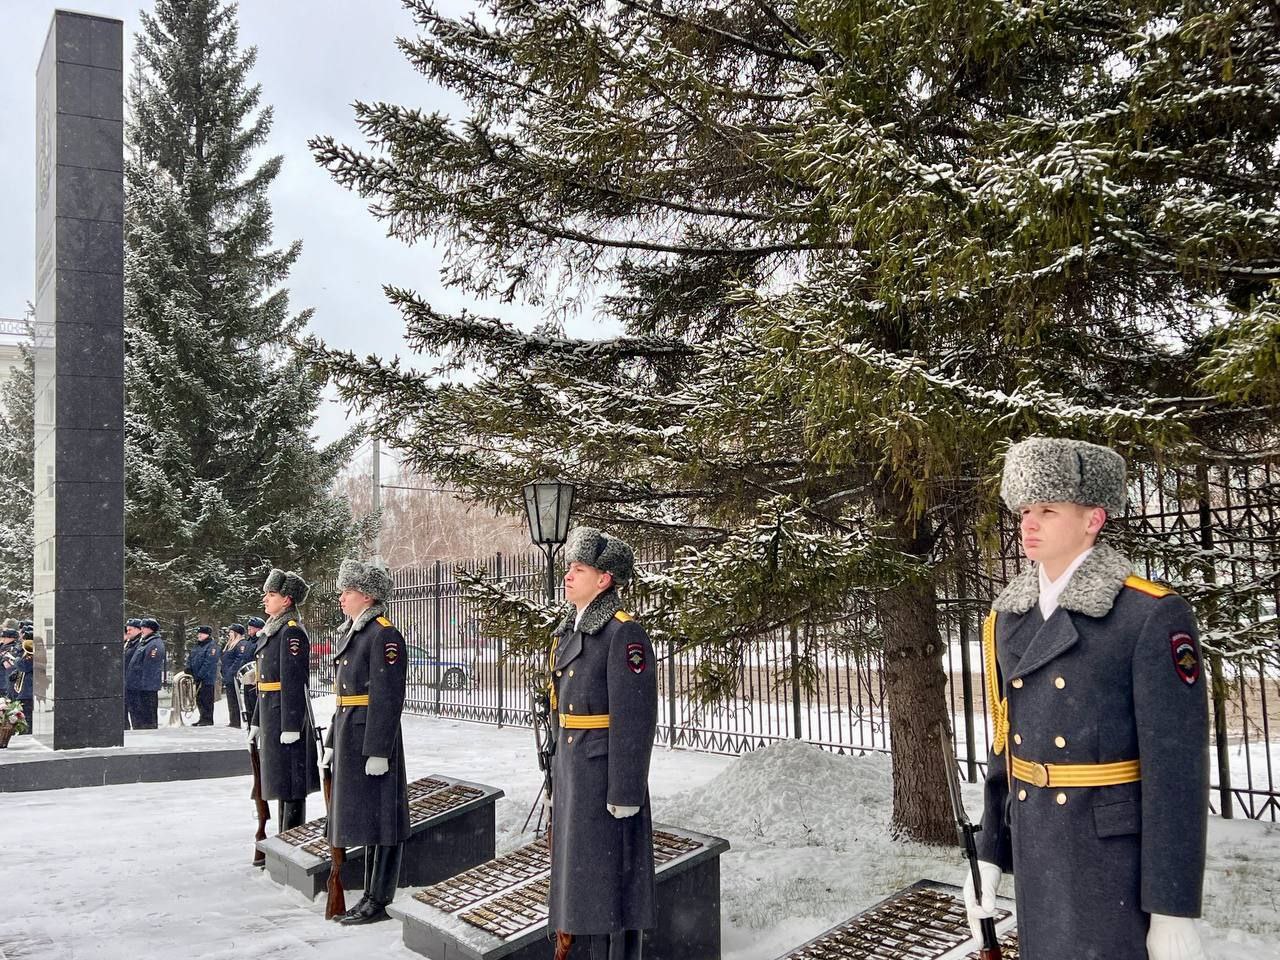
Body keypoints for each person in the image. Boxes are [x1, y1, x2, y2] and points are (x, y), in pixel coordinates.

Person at [964, 437, 1209, 960]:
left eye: (1048, 510)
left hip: (1109, 859)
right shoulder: (1010, 617)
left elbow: (1176, 773)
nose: (1028, 523)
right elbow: (1007, 745)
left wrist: (1171, 908)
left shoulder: (1147, 617)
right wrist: (989, 851)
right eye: (1025, 510)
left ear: (1093, 519)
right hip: (1037, 843)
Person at [546, 527, 657, 960]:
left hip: (604, 775)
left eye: (579, 569)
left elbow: (635, 717)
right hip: (577, 771)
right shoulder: (575, 630)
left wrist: (626, 790)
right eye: (569, 568)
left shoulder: (622, 634)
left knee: (612, 885)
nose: (568, 576)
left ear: (604, 579)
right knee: (582, 884)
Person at [323, 558, 409, 925]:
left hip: (372, 737)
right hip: (350, 732)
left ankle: (379, 898)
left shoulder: (383, 635)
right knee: (368, 818)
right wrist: (330, 738)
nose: (341, 597)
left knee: (383, 819)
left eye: (348, 591)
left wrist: (378, 750)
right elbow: (342, 696)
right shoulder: (354, 632)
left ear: (368, 596)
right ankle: (369, 895)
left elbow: (388, 697)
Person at [248, 568, 320, 831]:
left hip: (284, 718)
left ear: (287, 599)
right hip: (271, 714)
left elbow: (293, 682)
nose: (265, 599)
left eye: (271, 594)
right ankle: (280, 841)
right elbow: (264, 684)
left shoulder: (291, 632)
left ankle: (290, 836)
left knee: (291, 784)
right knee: (279, 783)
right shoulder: (274, 630)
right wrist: (256, 720)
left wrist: (291, 726)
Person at [130, 618, 166, 729]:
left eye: (144, 628)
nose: (142, 630)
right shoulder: (145, 642)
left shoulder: (154, 644)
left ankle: (149, 728)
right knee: (143, 712)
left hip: (148, 685)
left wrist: (143, 682)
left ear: (150, 629)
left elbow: (150, 665)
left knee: (148, 713)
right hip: (141, 683)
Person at [184, 626, 220, 726]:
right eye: (199, 633)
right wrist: (189, 668)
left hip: (206, 678)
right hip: (197, 677)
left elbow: (209, 663)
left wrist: (200, 675)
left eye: (202, 633)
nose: (199, 635)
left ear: (207, 635)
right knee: (199, 698)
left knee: (206, 699)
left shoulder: (212, 646)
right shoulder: (198, 646)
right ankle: (202, 717)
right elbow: (190, 658)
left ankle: (207, 719)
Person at [221, 623, 255, 727]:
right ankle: (233, 720)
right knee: (231, 698)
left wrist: (231, 673)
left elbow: (239, 659)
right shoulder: (230, 644)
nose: (229, 635)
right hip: (228, 674)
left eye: (231, 632)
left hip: (233, 675)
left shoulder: (241, 644)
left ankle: (235, 721)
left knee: (234, 698)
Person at [9, 635, 34, 735]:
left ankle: (27, 733)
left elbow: (24, 666)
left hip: (28, 692)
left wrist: (17, 659)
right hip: (25, 691)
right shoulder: (28, 656)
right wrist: (15, 673)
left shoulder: (32, 657)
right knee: (24, 715)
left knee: (27, 717)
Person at [122, 619, 143, 727]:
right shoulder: (129, 643)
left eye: (130, 629)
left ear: (138, 630)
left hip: (134, 682)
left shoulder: (139, 644)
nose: (128, 631)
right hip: (127, 680)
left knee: (136, 711)